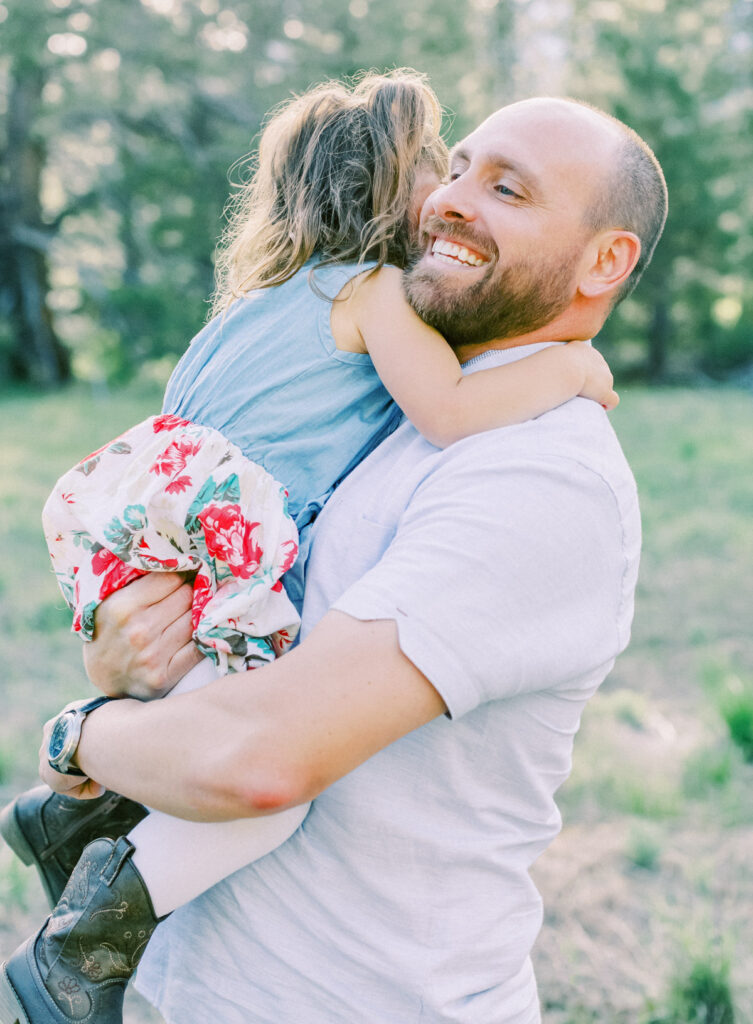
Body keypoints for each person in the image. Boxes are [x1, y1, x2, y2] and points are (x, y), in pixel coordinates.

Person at [0, 78, 622, 1024]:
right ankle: (88, 886)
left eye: (508, 188)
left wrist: (82, 734)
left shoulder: (537, 469)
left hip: (352, 1000)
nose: (451, 196)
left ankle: (80, 880)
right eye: (447, 168)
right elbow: (444, 412)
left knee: (264, 791)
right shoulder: (395, 358)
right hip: (188, 986)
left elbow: (258, 760)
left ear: (603, 258)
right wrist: (125, 658)